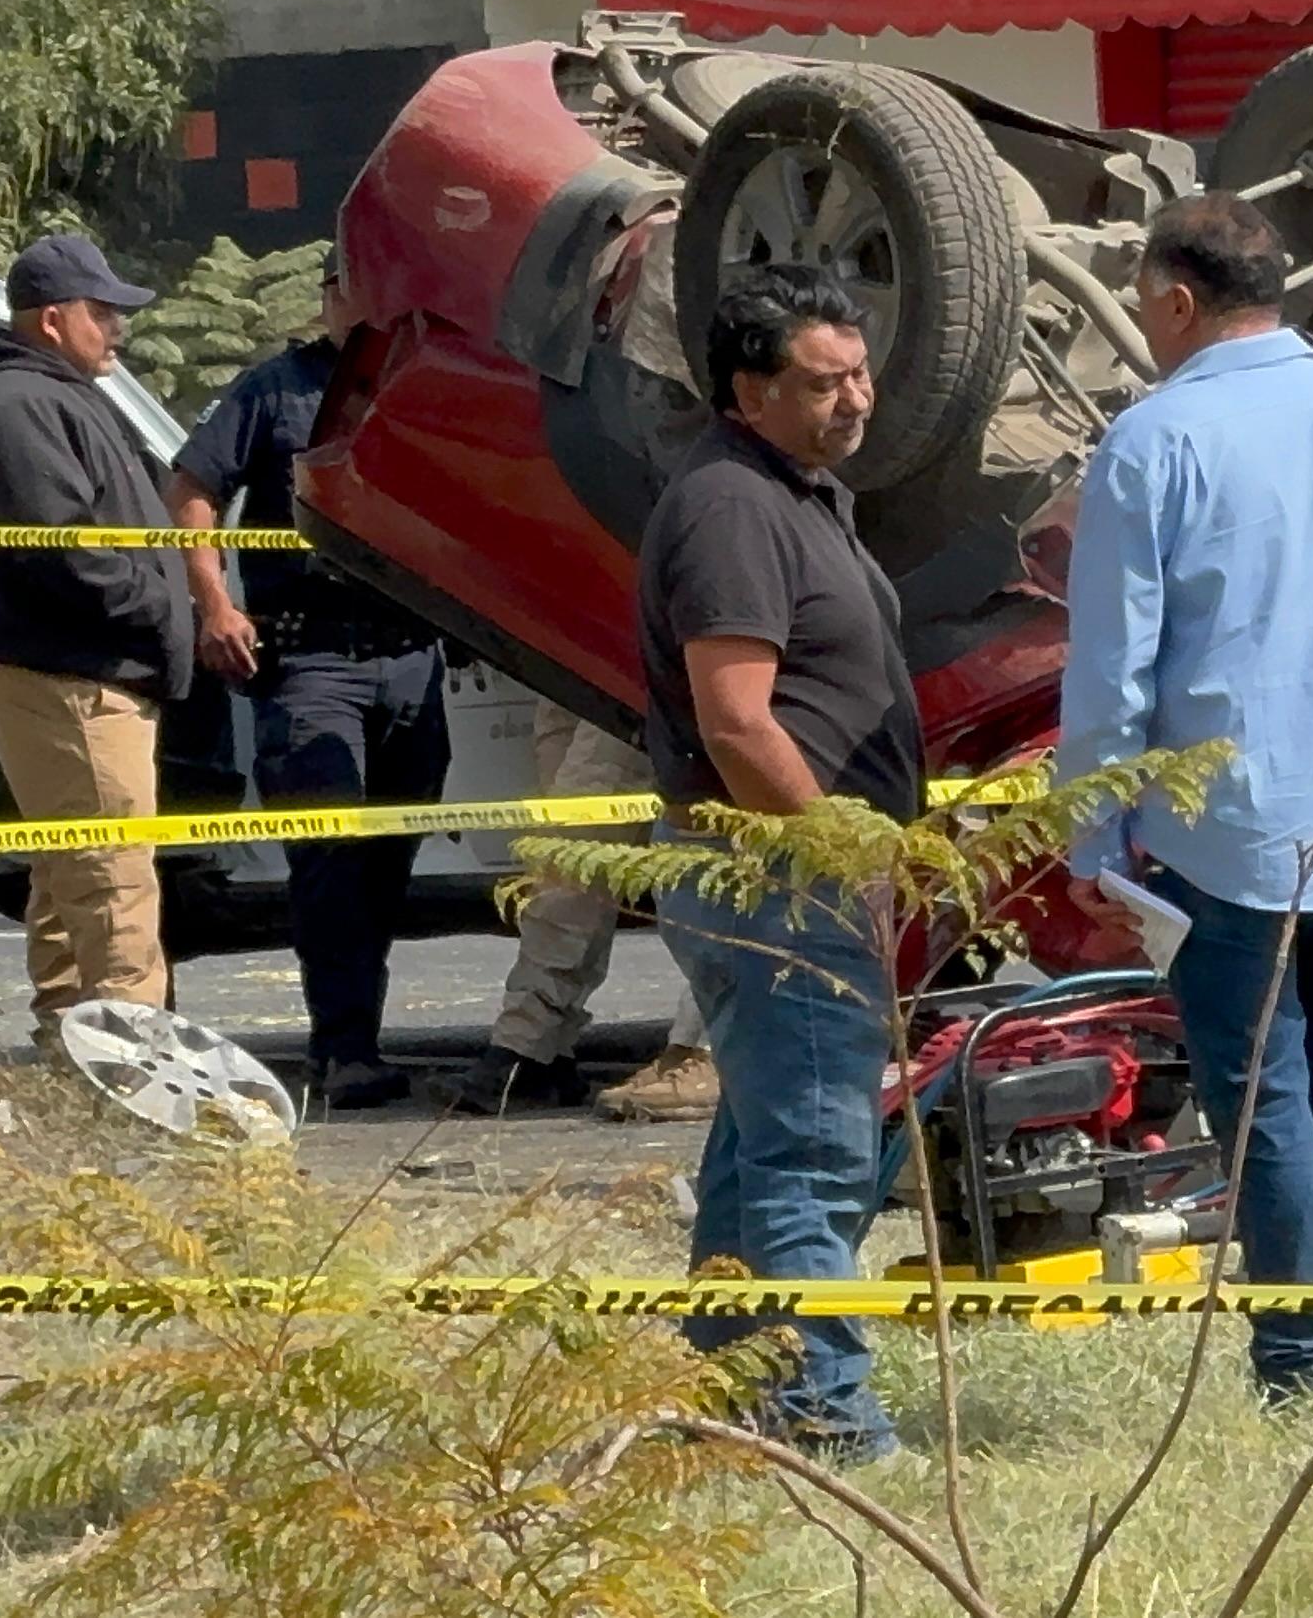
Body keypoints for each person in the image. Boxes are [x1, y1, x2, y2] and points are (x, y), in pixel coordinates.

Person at [1054, 191, 1313, 1401]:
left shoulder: (1152, 441)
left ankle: (1296, 1357)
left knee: (1261, 1093)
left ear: (1178, 301)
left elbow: (1113, 665)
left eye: (1144, 304)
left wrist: (1093, 836)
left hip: (1218, 831)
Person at [637, 261, 923, 1462]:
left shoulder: (793, 490)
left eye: (860, 372)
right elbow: (737, 720)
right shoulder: (731, 509)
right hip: (775, 880)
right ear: (747, 390)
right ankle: (827, 1414)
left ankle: (722, 1386)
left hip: (787, 876)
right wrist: (836, 846)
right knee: (814, 1153)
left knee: (760, 1145)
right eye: (822, 382)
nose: (855, 398)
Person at [165, 265, 450, 1110]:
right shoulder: (274, 388)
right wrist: (216, 604)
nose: (357, 304)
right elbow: (191, 488)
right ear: (327, 297)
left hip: (411, 657)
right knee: (329, 863)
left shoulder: (419, 385)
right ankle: (343, 1051)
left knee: (386, 867)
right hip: (312, 660)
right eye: (343, 288)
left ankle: (358, 1038)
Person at [0, 230, 196, 1044]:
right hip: (74, 677)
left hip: (79, 672)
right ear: (52, 320)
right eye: (102, 310)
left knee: (68, 868)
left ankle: (67, 1040)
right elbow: (64, 551)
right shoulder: (21, 405)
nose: (118, 326)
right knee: (112, 876)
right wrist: (157, 607)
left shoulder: (48, 394)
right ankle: (130, 1053)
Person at [444, 696, 721, 1123]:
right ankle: (546, 1052)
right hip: (567, 677)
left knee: (573, 854)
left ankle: (526, 1043)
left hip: (628, 678)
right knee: (563, 855)